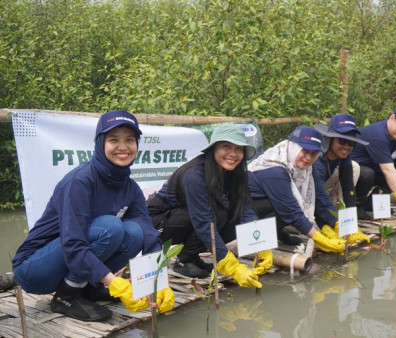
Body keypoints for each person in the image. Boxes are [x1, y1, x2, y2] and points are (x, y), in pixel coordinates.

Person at [11, 110, 174, 322]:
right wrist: (113, 282)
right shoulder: (81, 181)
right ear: (100, 143)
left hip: (70, 258)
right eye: (113, 140)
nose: (123, 147)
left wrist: (160, 282)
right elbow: (73, 243)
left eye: (130, 140)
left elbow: (149, 233)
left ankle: (90, 288)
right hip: (35, 268)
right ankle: (66, 296)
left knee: (135, 232)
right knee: (110, 227)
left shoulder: (130, 187)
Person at [147, 124, 272, 286]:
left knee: (232, 215)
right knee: (217, 214)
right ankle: (184, 260)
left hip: (190, 218)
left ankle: (192, 256)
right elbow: (204, 222)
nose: (233, 154)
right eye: (226, 146)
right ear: (213, 149)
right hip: (159, 223)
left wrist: (262, 245)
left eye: (238, 148)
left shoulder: (234, 172)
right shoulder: (195, 174)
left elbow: (245, 209)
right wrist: (231, 266)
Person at [248, 126, 346, 253]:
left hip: (262, 206)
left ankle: (277, 233)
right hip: (244, 214)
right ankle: (258, 241)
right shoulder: (275, 168)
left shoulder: (301, 167)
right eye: (304, 151)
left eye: (313, 154)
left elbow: (319, 198)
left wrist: (336, 223)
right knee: (285, 207)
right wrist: (319, 238)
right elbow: (291, 211)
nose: (308, 157)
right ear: (294, 147)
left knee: (287, 204)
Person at [313, 114, 371, 244]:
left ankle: (337, 208)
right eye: (342, 141)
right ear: (330, 139)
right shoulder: (316, 158)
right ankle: (331, 218)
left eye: (351, 143)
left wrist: (351, 223)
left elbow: (349, 188)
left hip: (320, 184)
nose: (347, 146)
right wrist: (335, 222)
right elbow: (318, 196)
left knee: (354, 167)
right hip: (301, 188)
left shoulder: (344, 155)